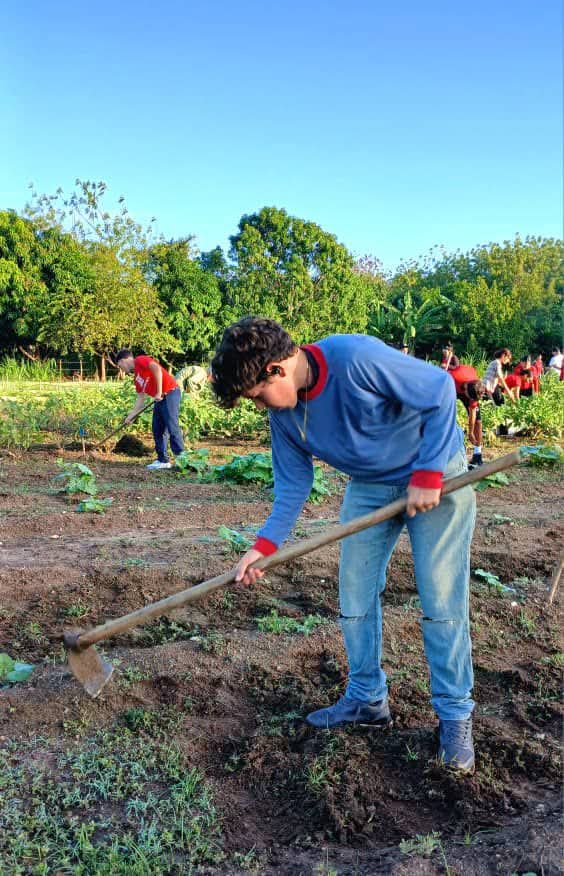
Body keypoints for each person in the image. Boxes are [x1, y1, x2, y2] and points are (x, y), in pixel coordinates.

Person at [210, 317, 477, 772]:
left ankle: (455, 718)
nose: (261, 406)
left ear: (276, 368)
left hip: (437, 476)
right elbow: (293, 483)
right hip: (371, 487)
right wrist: (265, 546)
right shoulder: (284, 413)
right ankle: (366, 699)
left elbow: (438, 389)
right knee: (354, 595)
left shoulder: (355, 359)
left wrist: (429, 473)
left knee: (440, 598)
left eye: (257, 395)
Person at [116, 350, 184, 470]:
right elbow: (140, 398)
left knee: (172, 427)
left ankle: (183, 460)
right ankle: (163, 460)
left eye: (119, 365)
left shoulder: (140, 360)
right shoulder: (137, 377)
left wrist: (158, 391)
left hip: (170, 393)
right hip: (159, 399)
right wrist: (132, 415)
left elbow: (157, 369)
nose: (120, 368)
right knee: (157, 429)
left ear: (122, 361)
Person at [448, 364, 485, 467]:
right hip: (451, 386)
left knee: (478, 420)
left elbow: (472, 411)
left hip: (466, 386)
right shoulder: (452, 377)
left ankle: (477, 454)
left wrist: (471, 432)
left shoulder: (475, 387)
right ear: (465, 390)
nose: (470, 401)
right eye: (470, 399)